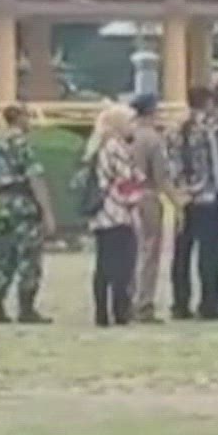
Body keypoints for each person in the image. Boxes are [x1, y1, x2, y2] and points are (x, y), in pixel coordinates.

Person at [0, 103, 54, 324]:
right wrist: (47, 212)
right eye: (28, 117)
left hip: (2, 203)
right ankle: (26, 307)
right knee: (29, 254)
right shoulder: (21, 143)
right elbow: (35, 177)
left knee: (4, 253)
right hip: (23, 202)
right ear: (20, 118)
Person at [84, 102, 145, 327]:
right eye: (131, 122)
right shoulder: (115, 147)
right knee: (122, 265)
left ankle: (102, 312)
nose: (134, 127)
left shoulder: (98, 146)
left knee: (103, 265)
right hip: (117, 212)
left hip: (102, 215)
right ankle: (120, 311)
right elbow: (126, 179)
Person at [169, 88, 218, 321]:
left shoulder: (174, 129)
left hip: (183, 196)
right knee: (209, 254)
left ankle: (180, 303)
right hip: (207, 196)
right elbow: (216, 164)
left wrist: (179, 189)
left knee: (182, 253)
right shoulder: (209, 129)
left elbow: (171, 164)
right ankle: (209, 303)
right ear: (208, 103)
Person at [127, 94, 177, 323]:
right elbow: (161, 177)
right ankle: (144, 303)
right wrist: (177, 202)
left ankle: (126, 299)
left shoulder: (127, 137)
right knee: (149, 252)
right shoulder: (153, 139)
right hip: (147, 196)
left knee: (129, 251)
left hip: (125, 197)